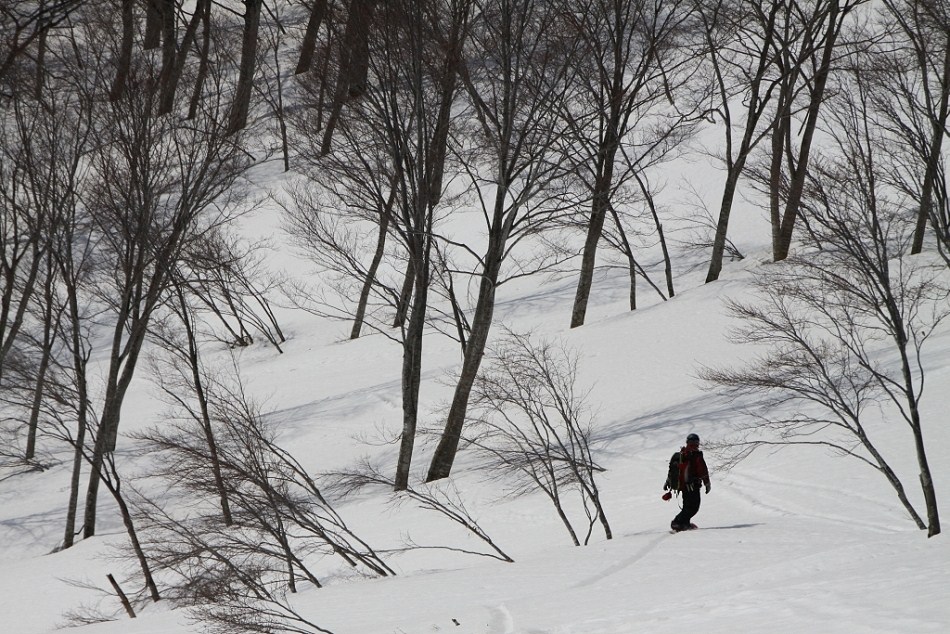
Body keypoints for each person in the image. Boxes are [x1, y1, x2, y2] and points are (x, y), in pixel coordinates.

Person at [663, 433, 711, 532]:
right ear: (697, 443)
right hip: (693, 486)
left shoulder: (681, 454)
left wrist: (668, 482)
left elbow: (672, 470)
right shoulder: (696, 455)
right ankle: (677, 522)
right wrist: (707, 483)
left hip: (683, 487)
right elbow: (702, 470)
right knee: (693, 507)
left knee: (687, 506)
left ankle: (685, 523)